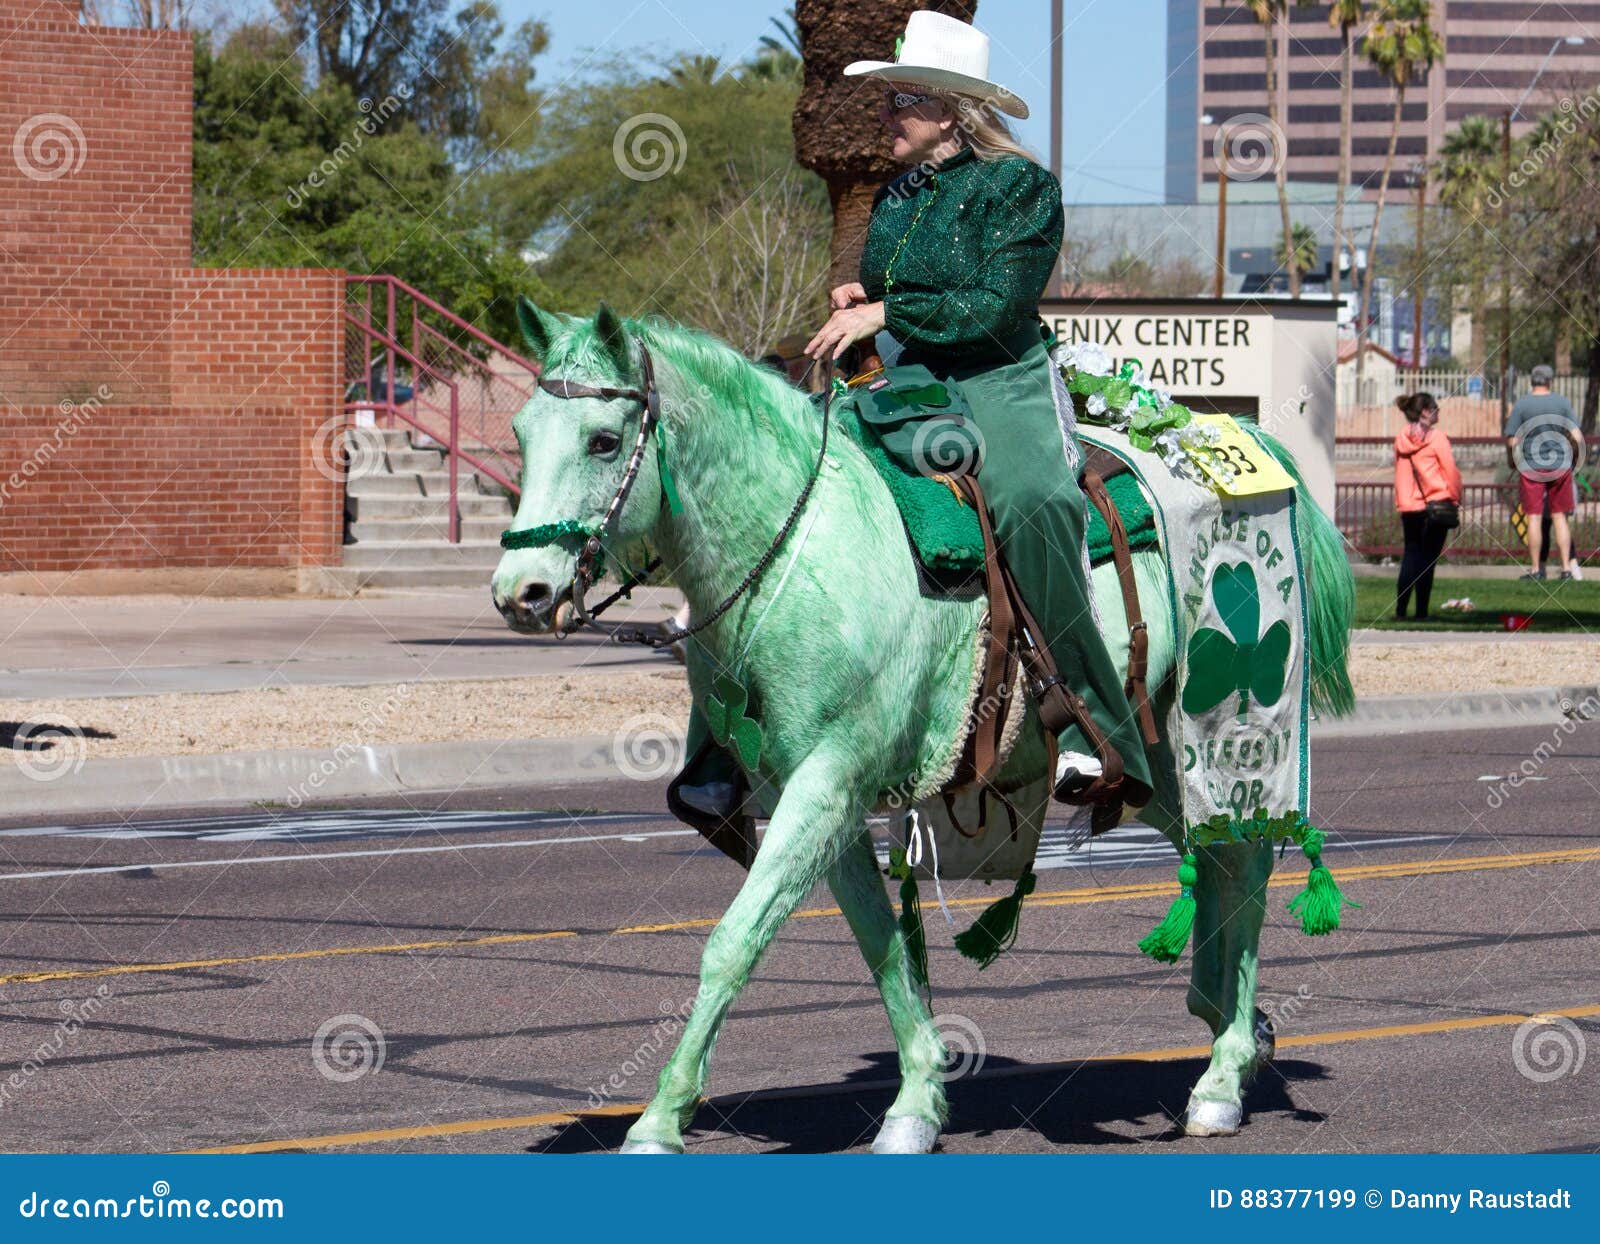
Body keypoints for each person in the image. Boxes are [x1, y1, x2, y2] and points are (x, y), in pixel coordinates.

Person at [803, 10, 1151, 812]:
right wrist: (865, 297)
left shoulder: (1022, 189)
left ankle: (1099, 732)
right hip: (914, 376)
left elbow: (996, 307)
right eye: (886, 99)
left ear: (950, 111)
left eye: (900, 100)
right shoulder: (896, 196)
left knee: (1033, 502)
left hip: (1002, 374)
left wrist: (886, 315)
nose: (884, 113)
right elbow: (900, 294)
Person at [1504, 363, 1581, 580]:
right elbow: (1576, 436)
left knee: (1535, 518)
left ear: (1532, 381)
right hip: (1560, 466)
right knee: (1560, 518)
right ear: (1550, 381)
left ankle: (1537, 569)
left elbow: (1512, 440)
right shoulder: (1562, 402)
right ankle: (1566, 569)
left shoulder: (1522, 405)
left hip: (1531, 467)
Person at [1392, 392, 1462, 620]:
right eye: (1436, 408)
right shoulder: (1437, 438)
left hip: (1409, 506)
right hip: (1436, 504)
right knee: (1428, 560)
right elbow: (1449, 471)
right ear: (1425, 412)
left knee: (1411, 557)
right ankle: (1421, 611)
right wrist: (1455, 496)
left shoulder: (1401, 438)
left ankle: (1401, 611)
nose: (1439, 411)